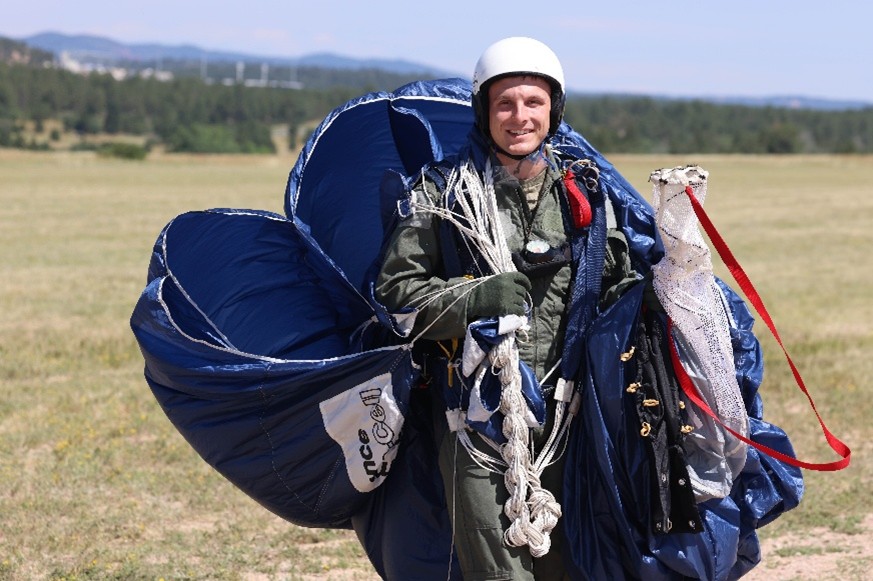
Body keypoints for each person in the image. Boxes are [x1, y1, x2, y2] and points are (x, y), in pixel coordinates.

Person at [376, 37, 638, 580]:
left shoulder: (583, 193)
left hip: (571, 418)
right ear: (484, 110)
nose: (520, 117)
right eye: (505, 104)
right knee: (501, 573)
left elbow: (618, 288)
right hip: (476, 420)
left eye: (534, 103)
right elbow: (396, 297)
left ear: (554, 109)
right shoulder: (443, 195)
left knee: (570, 566)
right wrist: (474, 297)